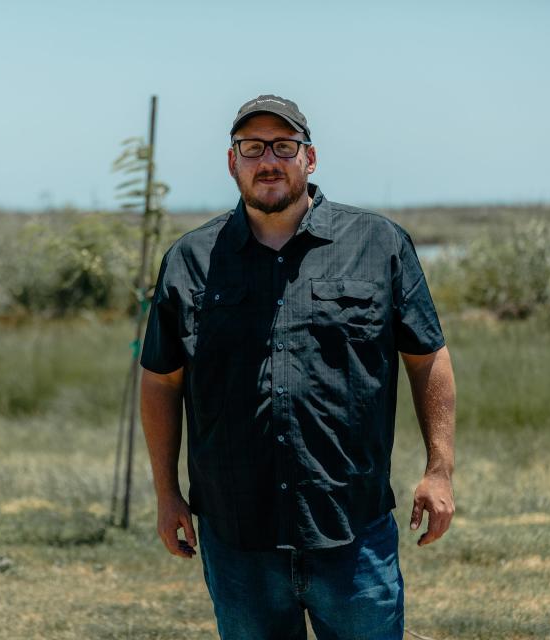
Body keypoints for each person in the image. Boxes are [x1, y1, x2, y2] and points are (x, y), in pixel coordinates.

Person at [138, 94, 456, 639]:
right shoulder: (189, 261)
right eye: (252, 147)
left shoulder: (378, 245)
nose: (268, 161)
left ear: (309, 159)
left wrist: (439, 468)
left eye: (283, 147)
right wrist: (167, 493)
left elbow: (427, 359)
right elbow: (161, 381)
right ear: (231, 161)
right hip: (238, 536)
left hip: (352, 528)